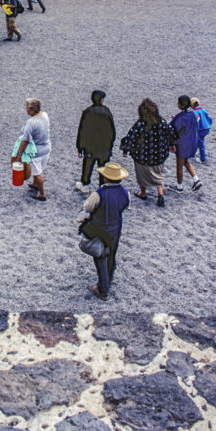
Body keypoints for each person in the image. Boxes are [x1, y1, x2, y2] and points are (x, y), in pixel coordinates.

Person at [79, 162, 130, 300]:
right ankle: (109, 277)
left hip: (99, 227)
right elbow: (125, 204)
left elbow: (88, 207)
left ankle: (103, 289)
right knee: (111, 253)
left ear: (106, 178)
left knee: (99, 255)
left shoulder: (99, 193)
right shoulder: (125, 192)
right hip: (115, 227)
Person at [120, 98, 177, 207]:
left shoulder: (140, 125)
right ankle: (160, 193)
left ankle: (143, 192)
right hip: (159, 155)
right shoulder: (162, 122)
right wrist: (172, 145)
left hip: (143, 156)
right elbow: (170, 133)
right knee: (159, 174)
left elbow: (131, 137)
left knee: (141, 175)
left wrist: (126, 149)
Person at [76, 91, 116, 193]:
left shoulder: (87, 112)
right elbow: (112, 131)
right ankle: (102, 186)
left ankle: (85, 184)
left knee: (87, 166)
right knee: (103, 168)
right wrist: (110, 145)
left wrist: (80, 147)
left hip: (90, 147)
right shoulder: (107, 112)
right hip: (104, 147)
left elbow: (82, 131)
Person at [14, 98, 50, 201]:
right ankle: (35, 184)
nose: (26, 110)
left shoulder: (31, 122)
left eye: (27, 108)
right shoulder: (44, 115)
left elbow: (25, 140)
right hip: (46, 147)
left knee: (37, 171)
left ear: (31, 109)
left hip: (36, 150)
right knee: (39, 168)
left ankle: (42, 193)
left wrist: (19, 154)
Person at [168, 95, 202, 192]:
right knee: (185, 161)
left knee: (179, 164)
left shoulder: (180, 117)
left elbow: (173, 128)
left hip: (183, 144)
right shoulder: (192, 114)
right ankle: (196, 179)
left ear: (182, 105)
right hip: (192, 142)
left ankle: (179, 186)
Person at [190, 97, 213, 164]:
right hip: (206, 128)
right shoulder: (203, 110)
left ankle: (203, 159)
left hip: (200, 130)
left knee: (201, 143)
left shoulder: (195, 112)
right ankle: (193, 153)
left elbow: (196, 121)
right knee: (198, 141)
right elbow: (209, 118)